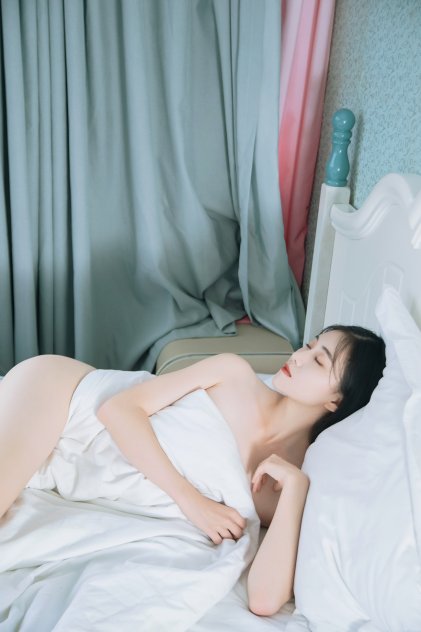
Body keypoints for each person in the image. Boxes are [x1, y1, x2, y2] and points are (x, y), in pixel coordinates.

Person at [0, 324, 385, 616]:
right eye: (309, 344)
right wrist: (192, 502)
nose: (299, 356)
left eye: (319, 360)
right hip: (64, 399)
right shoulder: (233, 372)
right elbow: (117, 409)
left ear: (336, 401)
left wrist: (297, 488)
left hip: (83, 468)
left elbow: (265, 600)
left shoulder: (286, 480)